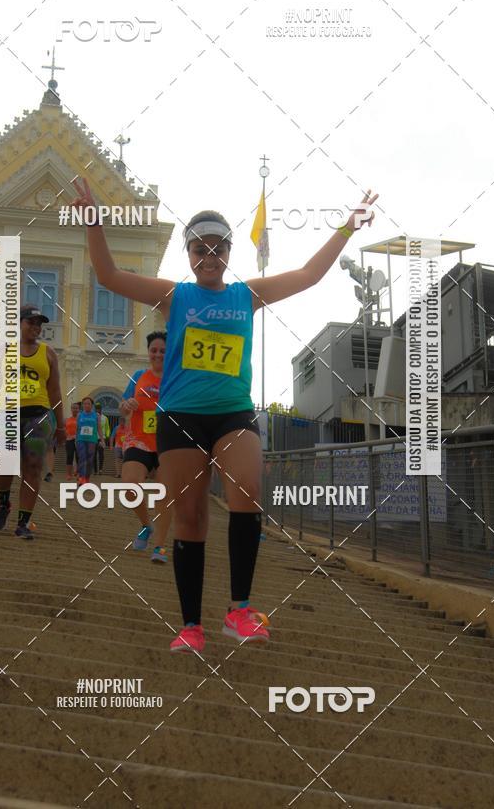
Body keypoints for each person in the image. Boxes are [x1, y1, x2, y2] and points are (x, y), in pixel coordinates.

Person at [81, 176, 377, 654]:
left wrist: (347, 228)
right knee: (191, 518)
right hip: (180, 417)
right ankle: (191, 625)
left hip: (234, 414)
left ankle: (239, 609)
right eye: (200, 248)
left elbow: (308, 275)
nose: (210, 255)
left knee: (248, 490)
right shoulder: (175, 296)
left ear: (229, 251)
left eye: (218, 247)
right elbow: (110, 276)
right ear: (189, 254)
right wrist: (94, 223)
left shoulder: (247, 294)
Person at [0, 306, 66, 539]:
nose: (35, 328)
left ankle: (23, 522)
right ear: (19, 324)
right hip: (8, 413)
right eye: (31, 322)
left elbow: (55, 390)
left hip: (39, 415)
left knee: (33, 468)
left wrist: (61, 424)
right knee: (3, 465)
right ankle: (4, 503)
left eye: (39, 324)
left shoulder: (48, 353)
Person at [118, 332, 169, 557]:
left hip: (168, 443)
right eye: (154, 350)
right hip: (139, 440)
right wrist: (127, 405)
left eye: (163, 350)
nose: (157, 354)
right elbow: (123, 407)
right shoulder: (139, 375)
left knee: (164, 494)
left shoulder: (176, 378)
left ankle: (159, 545)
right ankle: (146, 525)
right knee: (129, 486)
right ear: (148, 352)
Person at [76, 397, 99, 483]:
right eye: (85, 403)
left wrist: (102, 440)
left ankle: (87, 477)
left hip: (92, 440)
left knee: (90, 460)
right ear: (83, 405)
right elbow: (77, 428)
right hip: (81, 439)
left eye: (88, 403)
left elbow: (99, 428)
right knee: (82, 458)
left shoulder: (96, 415)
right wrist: (76, 439)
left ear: (92, 405)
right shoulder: (79, 415)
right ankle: (82, 478)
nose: (86, 405)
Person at [65, 402, 80, 480]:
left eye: (76, 408)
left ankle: (78, 474)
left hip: (79, 440)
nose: (75, 410)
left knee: (79, 457)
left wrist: (77, 436)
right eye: (73, 408)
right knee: (69, 456)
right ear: (71, 409)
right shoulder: (67, 419)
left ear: (79, 409)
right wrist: (68, 436)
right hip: (69, 440)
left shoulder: (81, 419)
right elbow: (65, 429)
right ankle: (68, 474)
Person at [93, 402, 110, 475]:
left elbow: (107, 428)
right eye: (96, 408)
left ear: (101, 409)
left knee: (101, 454)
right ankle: (95, 470)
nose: (98, 409)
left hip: (101, 438)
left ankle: (100, 469)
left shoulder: (105, 418)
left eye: (99, 408)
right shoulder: (92, 417)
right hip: (93, 438)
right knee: (93, 455)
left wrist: (107, 437)